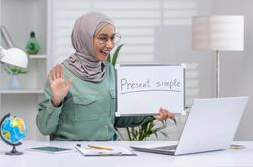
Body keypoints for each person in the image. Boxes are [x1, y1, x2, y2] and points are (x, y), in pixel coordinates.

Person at [36, 12, 174, 141]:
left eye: (112, 38)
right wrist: (55, 102)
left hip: (108, 152)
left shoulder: (110, 72)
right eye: (103, 38)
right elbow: (44, 128)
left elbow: (118, 119)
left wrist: (152, 113)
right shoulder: (61, 75)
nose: (110, 45)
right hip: (72, 156)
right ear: (85, 38)